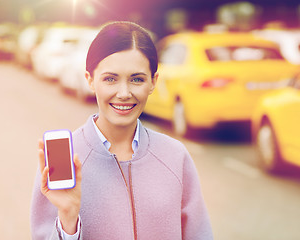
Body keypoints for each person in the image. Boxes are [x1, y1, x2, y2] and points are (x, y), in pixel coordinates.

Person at [31, 21, 213, 240]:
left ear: (153, 82)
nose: (124, 93)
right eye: (110, 79)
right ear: (90, 80)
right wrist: (68, 221)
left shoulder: (175, 156)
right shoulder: (64, 162)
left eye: (137, 79)